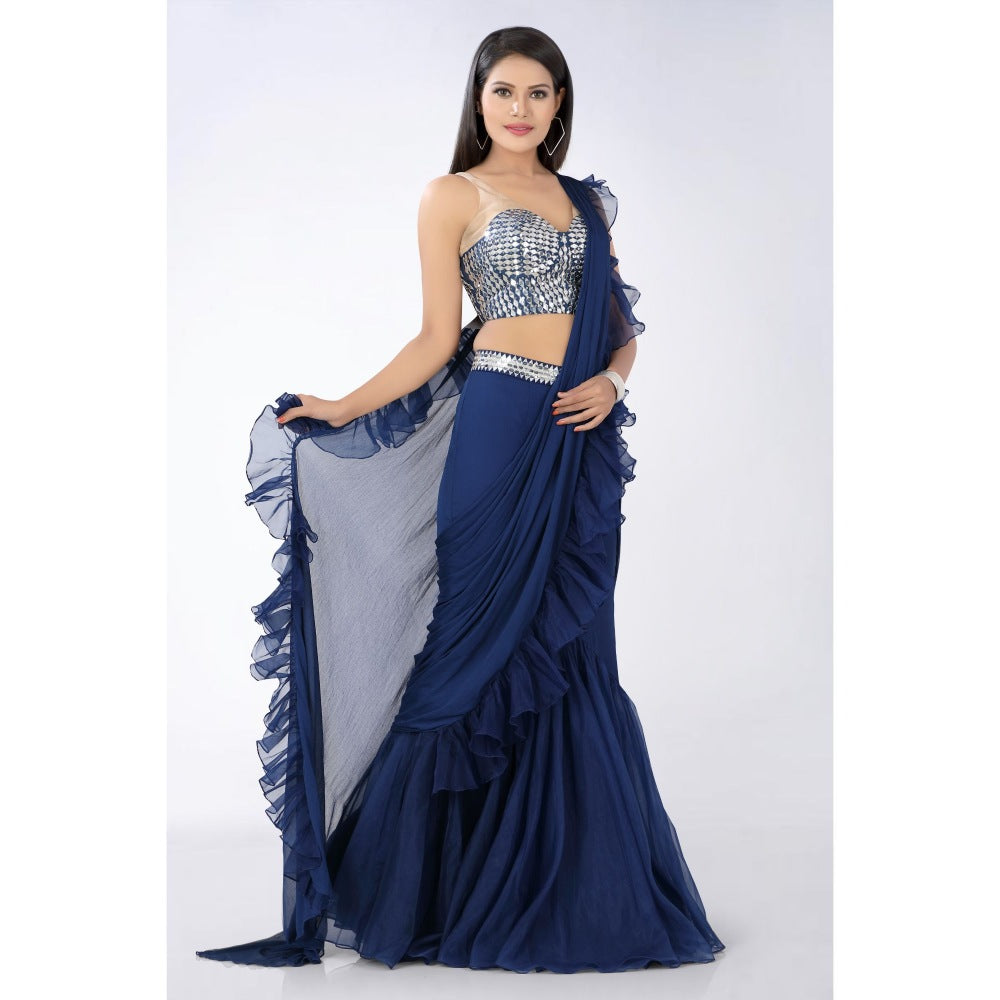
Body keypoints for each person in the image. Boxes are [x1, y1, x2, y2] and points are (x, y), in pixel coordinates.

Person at [195, 26, 726, 974]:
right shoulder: (452, 196)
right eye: (503, 92)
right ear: (478, 101)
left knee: (574, 645)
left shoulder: (586, 202)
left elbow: (619, 327)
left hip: (577, 439)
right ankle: (420, 890)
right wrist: (342, 406)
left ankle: (571, 884)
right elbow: (437, 338)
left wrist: (614, 382)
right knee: (470, 643)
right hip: (497, 427)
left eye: (539, 93)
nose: (521, 109)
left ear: (559, 105)